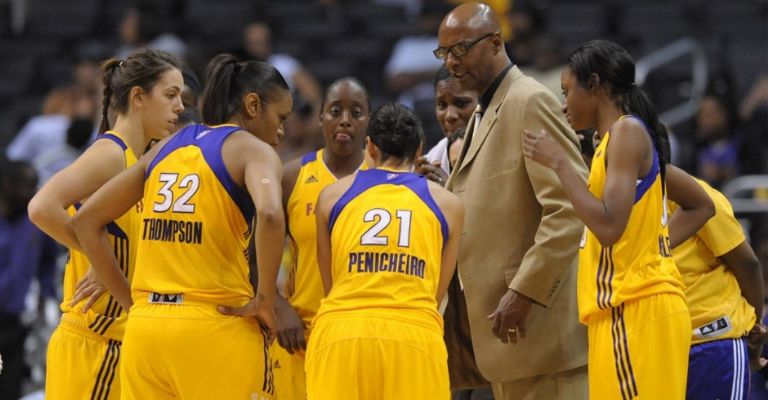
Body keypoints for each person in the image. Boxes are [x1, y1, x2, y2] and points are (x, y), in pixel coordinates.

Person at [71, 53, 291, 399]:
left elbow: (85, 221)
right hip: (213, 327)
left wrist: (133, 304)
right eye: (280, 117)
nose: (280, 133)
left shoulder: (167, 147)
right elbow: (271, 214)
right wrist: (265, 298)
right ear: (252, 105)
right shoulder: (251, 149)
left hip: (146, 334)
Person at [523, 39, 714, 399]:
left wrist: (561, 163)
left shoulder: (626, 133)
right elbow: (700, 205)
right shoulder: (613, 143)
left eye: (567, 92)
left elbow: (609, 227)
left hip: (637, 307)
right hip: (624, 310)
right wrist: (652, 247)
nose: (563, 105)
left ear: (594, 84)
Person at [435, 3, 589, 398]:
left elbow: (570, 208)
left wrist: (525, 292)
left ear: (495, 42)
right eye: (444, 53)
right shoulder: (484, 111)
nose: (451, 63)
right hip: (505, 342)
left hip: (541, 336)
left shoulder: (529, 100)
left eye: (460, 49)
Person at [28, 48, 184, 400]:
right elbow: (41, 206)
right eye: (171, 95)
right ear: (138, 97)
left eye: (182, 98)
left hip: (116, 343)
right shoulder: (111, 154)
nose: (179, 107)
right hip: (94, 343)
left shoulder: (139, 162)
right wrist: (98, 258)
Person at [306, 102, 464, 399]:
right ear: (419, 150)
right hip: (413, 334)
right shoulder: (448, 204)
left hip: (343, 331)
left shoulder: (331, 196)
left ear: (370, 147)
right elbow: (437, 290)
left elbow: (329, 280)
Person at [271, 77, 370, 399]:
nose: (345, 120)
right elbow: (252, 252)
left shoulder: (388, 177)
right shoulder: (291, 176)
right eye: (335, 110)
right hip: (301, 333)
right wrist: (278, 306)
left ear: (368, 121)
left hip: (363, 335)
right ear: (320, 118)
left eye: (356, 112)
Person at [0, 161, 57, 400]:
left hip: (16, 321)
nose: (30, 193)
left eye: (33, 187)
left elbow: (48, 260)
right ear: (6, 186)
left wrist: (47, 295)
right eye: (24, 187)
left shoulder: (36, 222)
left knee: (10, 386)